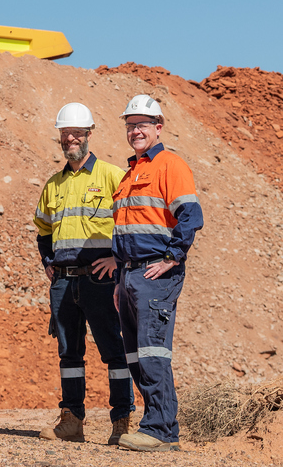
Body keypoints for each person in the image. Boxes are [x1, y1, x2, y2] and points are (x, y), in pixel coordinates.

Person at [33, 103, 134, 444]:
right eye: (65, 134)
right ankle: (72, 419)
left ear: (89, 134)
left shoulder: (111, 175)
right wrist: (48, 261)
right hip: (63, 281)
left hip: (100, 279)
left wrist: (117, 259)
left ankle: (122, 421)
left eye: (76, 133)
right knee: (69, 353)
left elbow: (133, 223)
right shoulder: (54, 184)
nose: (70, 138)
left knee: (114, 352)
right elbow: (43, 230)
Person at [112, 95, 203, 452]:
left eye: (142, 125)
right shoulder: (130, 172)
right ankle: (156, 422)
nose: (136, 131)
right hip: (130, 275)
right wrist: (121, 278)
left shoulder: (169, 165)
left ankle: (162, 429)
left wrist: (172, 257)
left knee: (153, 351)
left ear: (158, 128)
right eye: (130, 125)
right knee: (136, 353)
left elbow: (190, 216)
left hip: (155, 274)